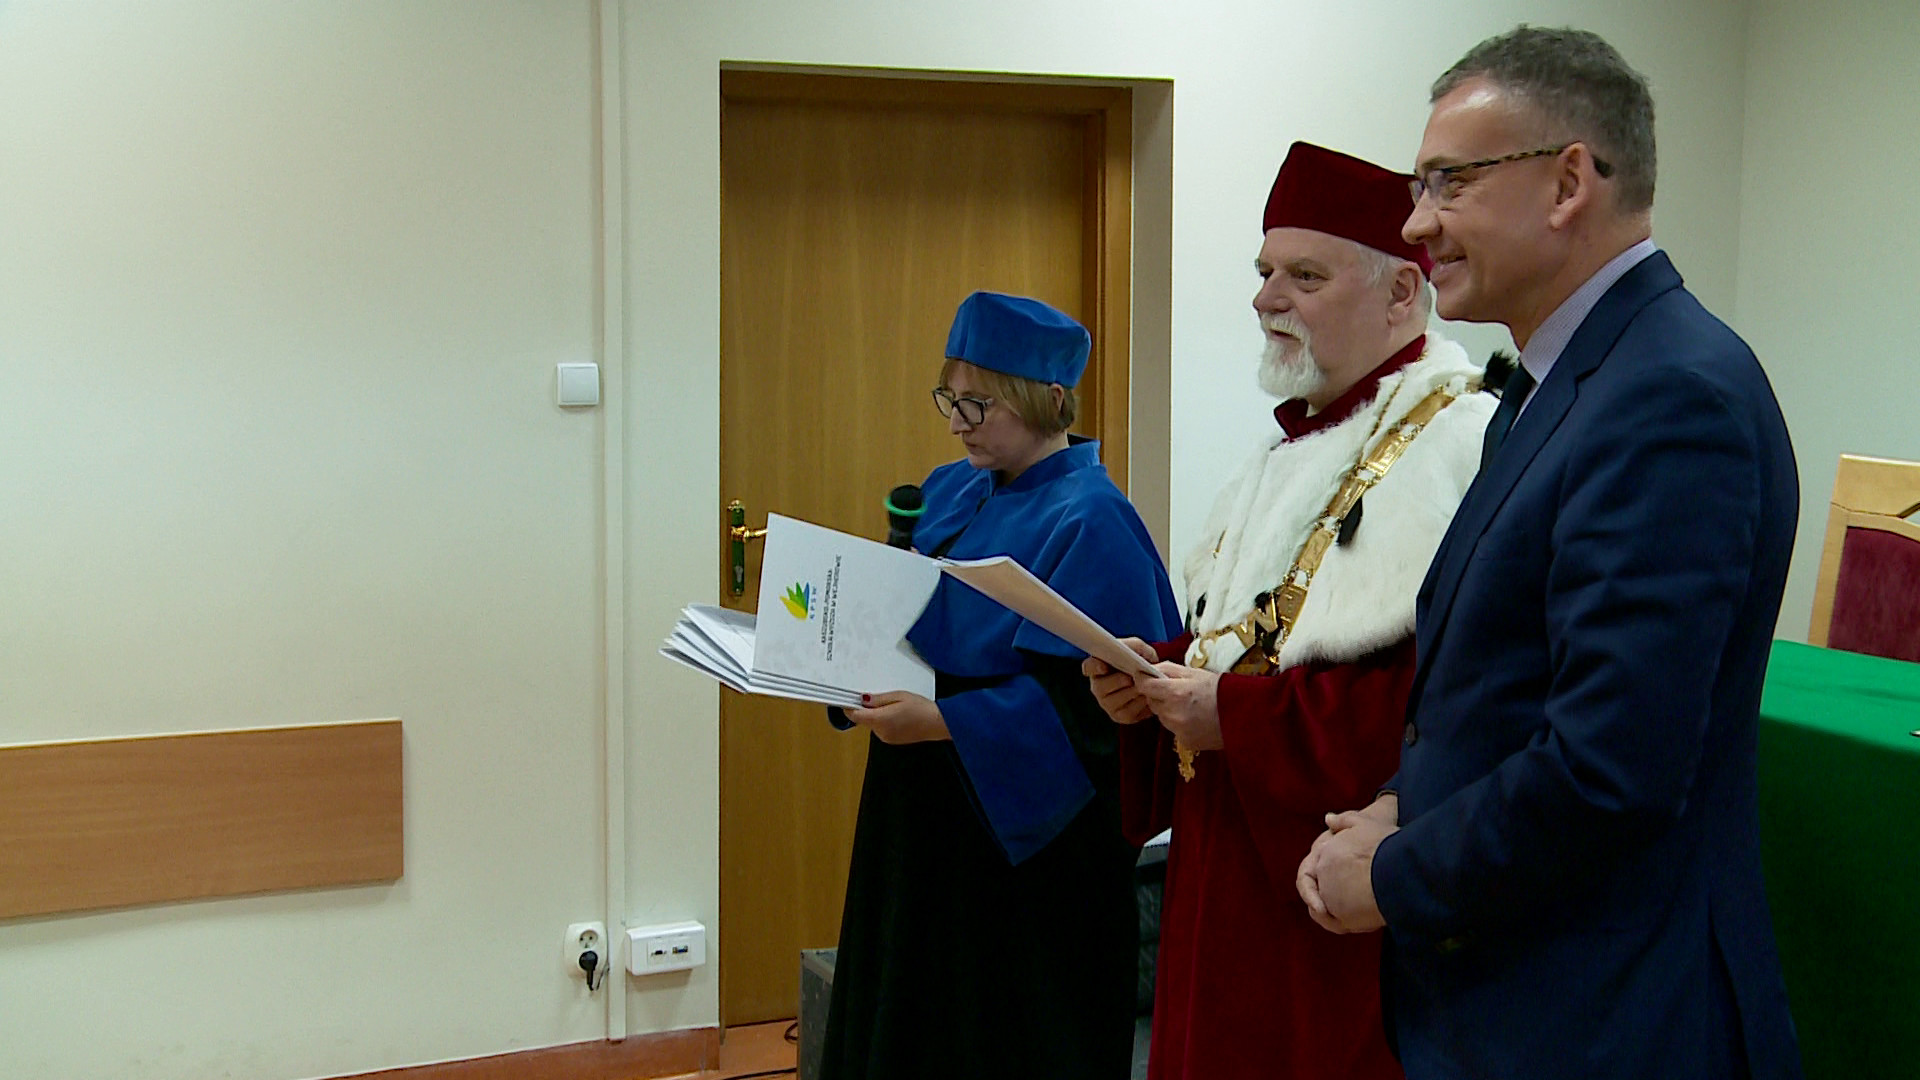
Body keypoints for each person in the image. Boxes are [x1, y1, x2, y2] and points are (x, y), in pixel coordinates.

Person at [1296, 26, 1805, 1080]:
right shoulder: (1558, 380)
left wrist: (1392, 875)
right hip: (1520, 993)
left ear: (1569, 182)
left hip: (1606, 1015)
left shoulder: (1670, 396)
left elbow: (1611, 770)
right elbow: (1507, 683)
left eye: (1449, 182)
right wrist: (1400, 801)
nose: (1415, 222)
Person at [1083, 142, 1494, 1080]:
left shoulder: (1460, 445)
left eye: (1304, 276)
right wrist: (1158, 676)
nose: (1267, 299)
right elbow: (1267, 647)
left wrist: (1229, 715)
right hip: (1227, 867)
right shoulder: (1289, 447)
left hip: (1330, 897)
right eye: (1265, 273)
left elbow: (1441, 709)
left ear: (1402, 292)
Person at [821, 291, 1182, 1080]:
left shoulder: (1093, 519)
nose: (957, 423)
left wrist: (944, 721)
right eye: (948, 399)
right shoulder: (949, 488)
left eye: (977, 404)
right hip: (919, 810)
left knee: (994, 1033)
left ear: (1046, 398)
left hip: (1021, 848)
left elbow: (1098, 720)